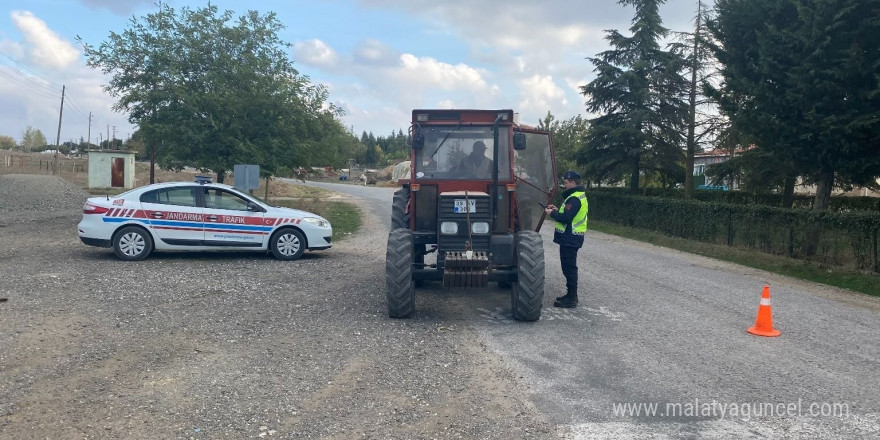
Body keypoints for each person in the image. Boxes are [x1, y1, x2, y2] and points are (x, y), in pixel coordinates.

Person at [544, 170, 588, 308]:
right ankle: (570, 295)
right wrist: (557, 210)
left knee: (569, 268)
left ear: (573, 182)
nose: (565, 185)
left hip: (570, 238)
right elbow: (568, 214)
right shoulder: (577, 196)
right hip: (571, 237)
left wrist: (552, 214)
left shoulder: (574, 198)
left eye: (566, 182)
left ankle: (572, 298)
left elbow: (567, 218)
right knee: (568, 266)